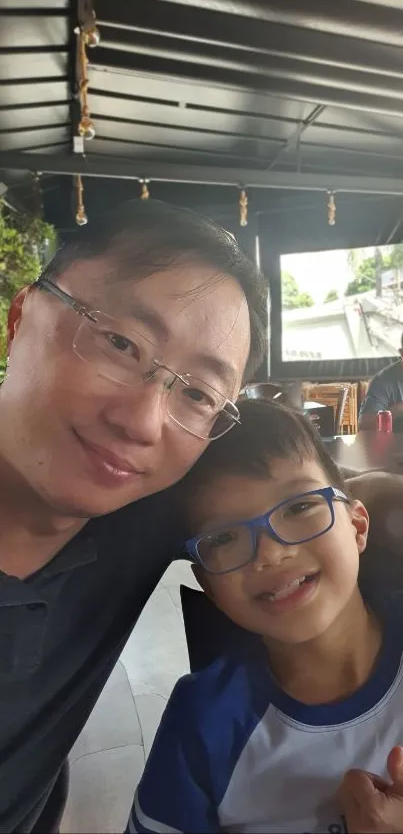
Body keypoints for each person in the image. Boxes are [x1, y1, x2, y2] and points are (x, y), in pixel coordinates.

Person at [0, 199, 266, 833]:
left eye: (198, 394)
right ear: (21, 316)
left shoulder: (143, 508)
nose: (142, 422)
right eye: (121, 343)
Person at [128, 400, 403, 834]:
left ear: (357, 526)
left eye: (298, 508)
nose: (271, 553)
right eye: (225, 536)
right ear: (208, 585)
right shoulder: (203, 724)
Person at [359, 333, 403, 430]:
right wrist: (398, 410)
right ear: (401, 353)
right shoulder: (381, 382)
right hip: (394, 443)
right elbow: (365, 426)